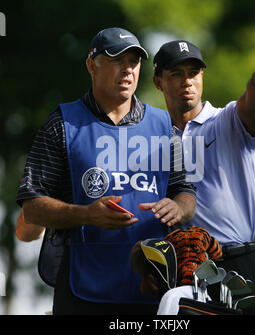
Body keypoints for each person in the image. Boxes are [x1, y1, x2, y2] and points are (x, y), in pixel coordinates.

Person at [16, 28, 196, 315]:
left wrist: (178, 207)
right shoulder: (61, 123)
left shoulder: (164, 125)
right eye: (116, 60)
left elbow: (186, 192)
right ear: (91, 65)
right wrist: (87, 214)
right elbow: (33, 208)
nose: (127, 70)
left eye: (134, 62)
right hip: (82, 290)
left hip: (152, 286)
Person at [152, 40, 255, 314]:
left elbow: (250, 107)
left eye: (193, 73)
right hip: (193, 273)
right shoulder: (154, 141)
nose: (187, 82)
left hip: (249, 264)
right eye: (176, 74)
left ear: (202, 76)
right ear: (158, 82)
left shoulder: (226, 120)